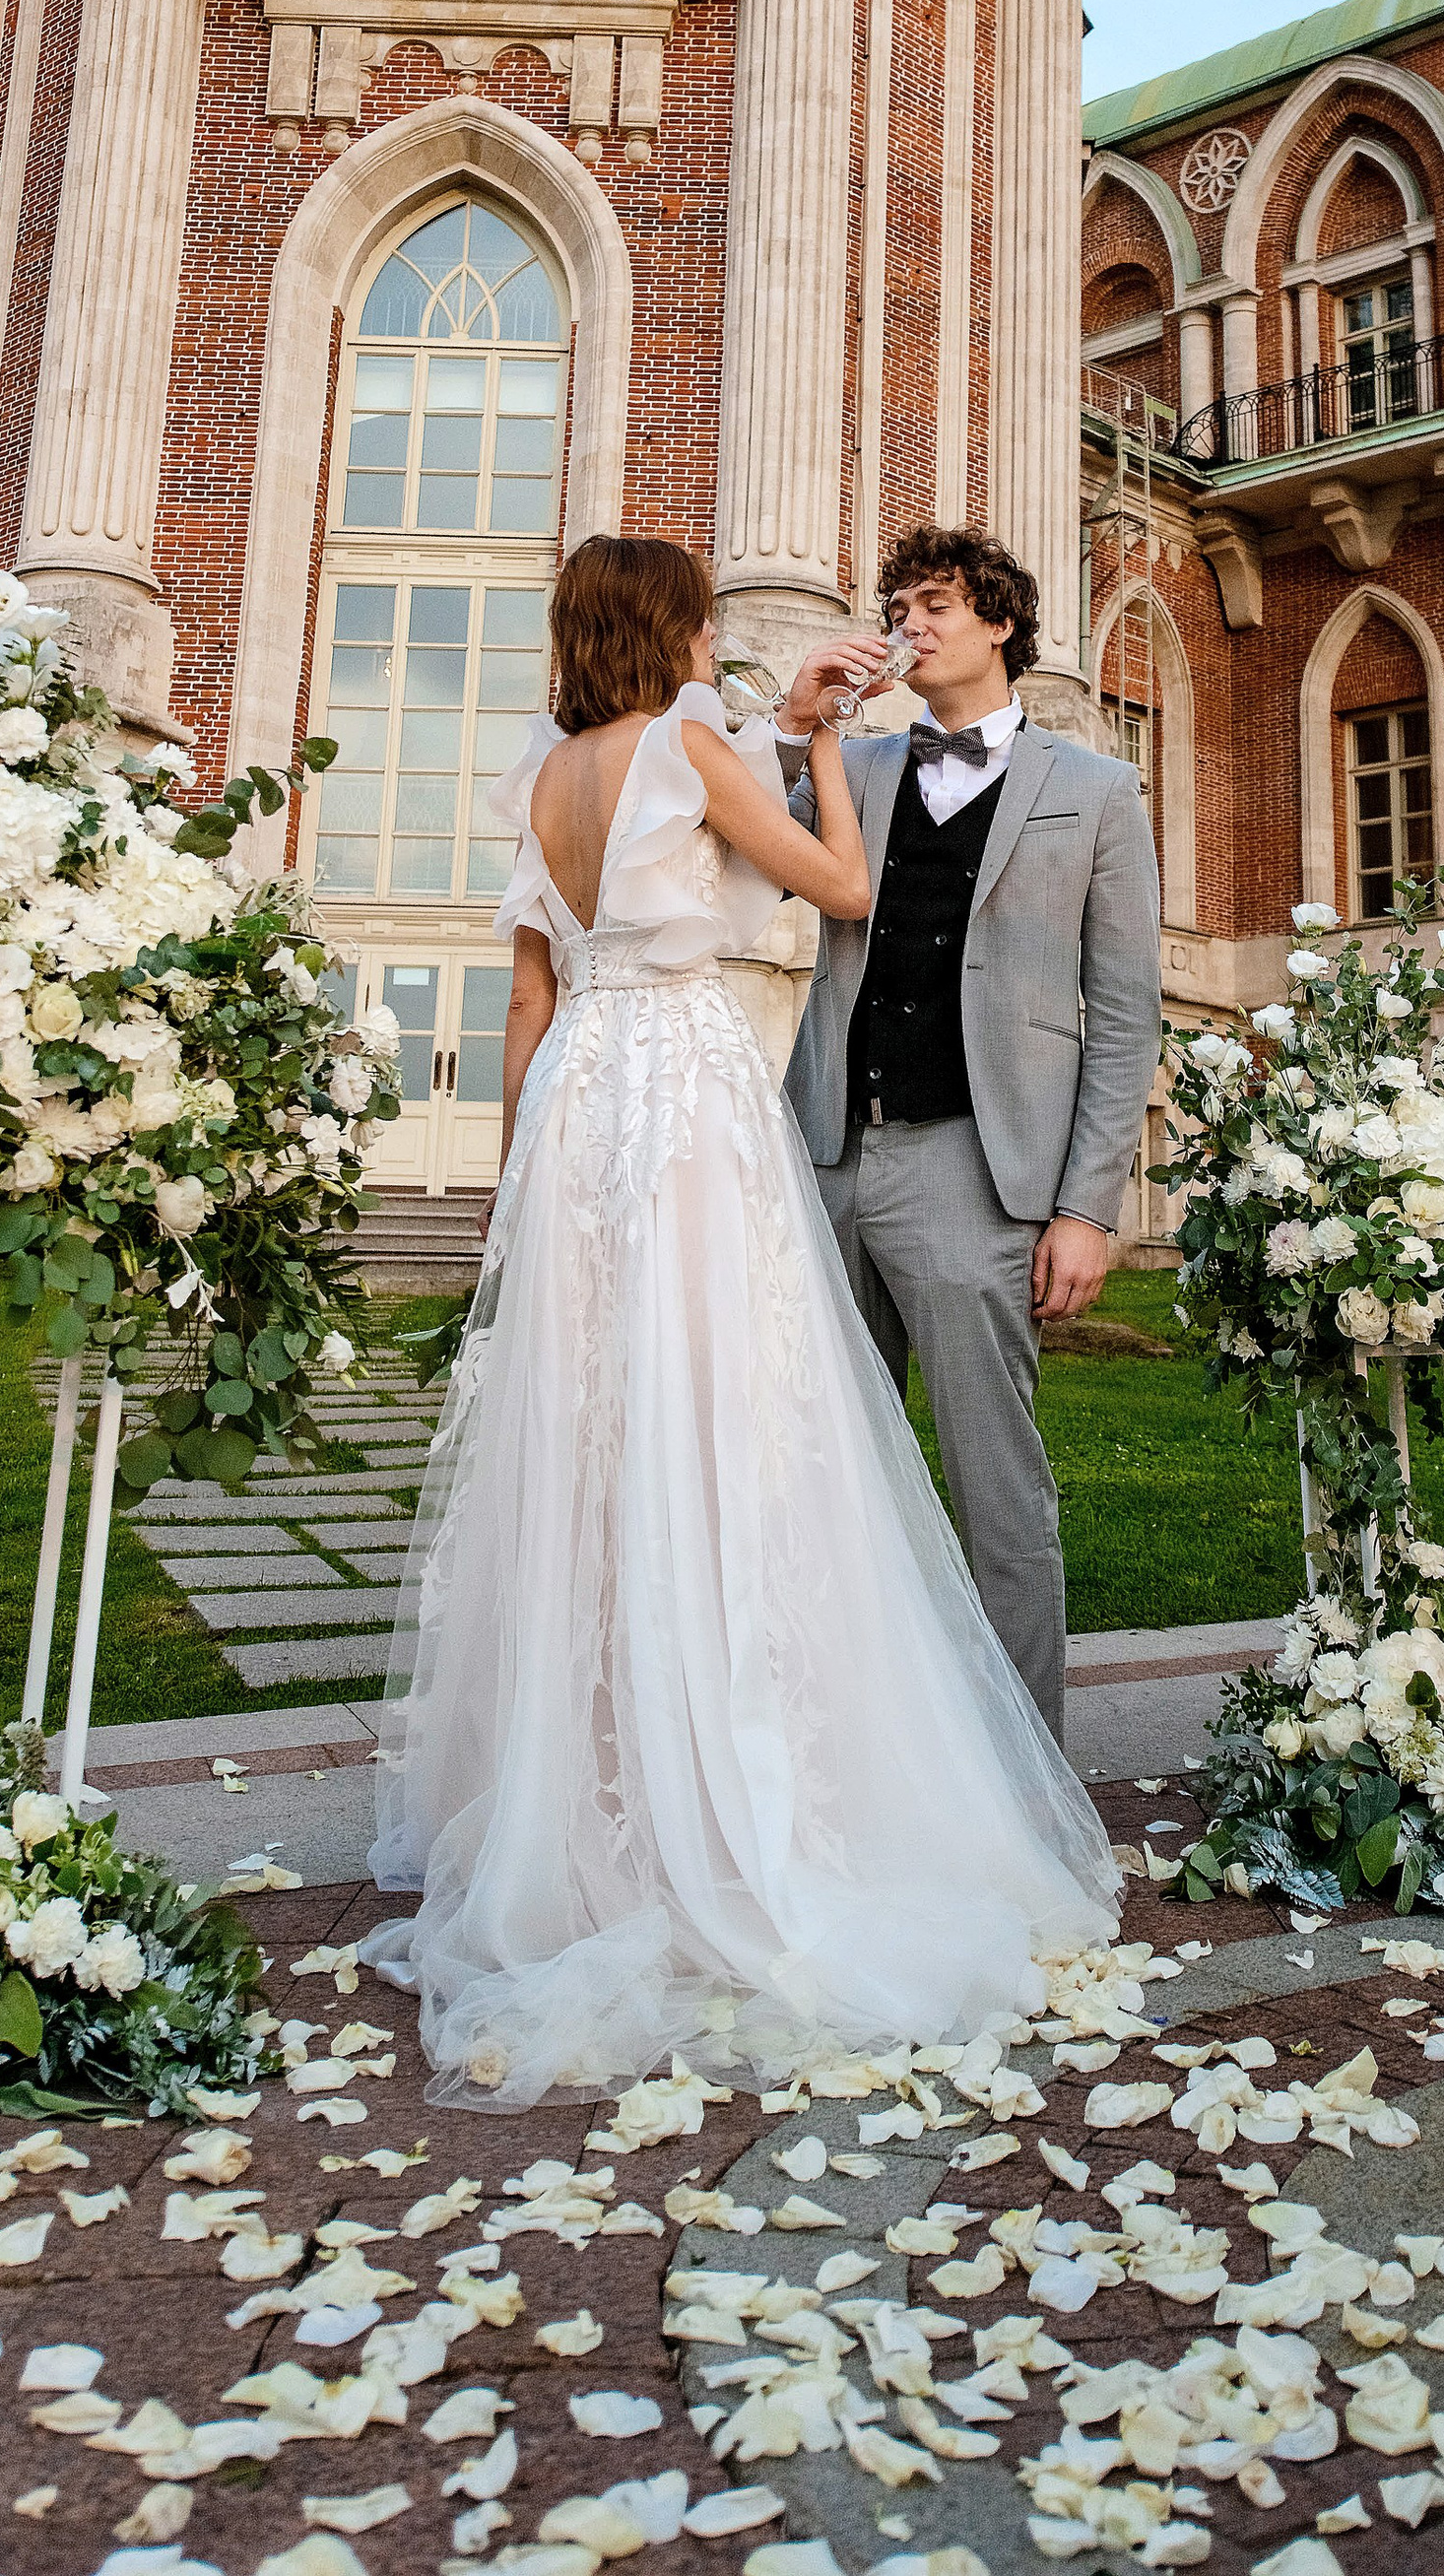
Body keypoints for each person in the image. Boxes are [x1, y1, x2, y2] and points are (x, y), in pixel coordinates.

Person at [367, 531, 1121, 2108]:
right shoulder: (692, 735)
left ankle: (595, 1798)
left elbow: (523, 1001)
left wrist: (522, 1184)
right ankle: (744, 1782)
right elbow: (837, 884)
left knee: (591, 1436)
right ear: (673, 626)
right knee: (740, 1425)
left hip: (578, 1107)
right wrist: (825, 756)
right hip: (694, 1094)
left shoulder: (544, 773)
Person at [771, 529, 1162, 1742]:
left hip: (977, 1176)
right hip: (829, 1153)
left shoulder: (1096, 792)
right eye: (897, 605)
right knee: (819, 1480)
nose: (907, 623)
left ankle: (1022, 1775)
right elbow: (745, 831)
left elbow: (1125, 1011)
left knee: (997, 1490)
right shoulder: (862, 763)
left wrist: (1088, 1205)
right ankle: (847, 1759)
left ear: (998, 623)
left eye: (932, 603)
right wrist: (801, 721)